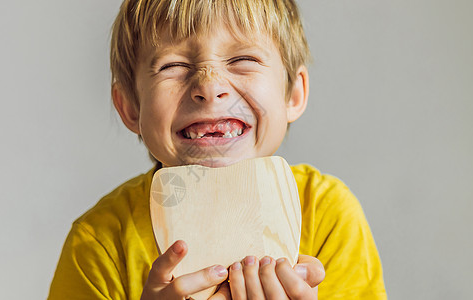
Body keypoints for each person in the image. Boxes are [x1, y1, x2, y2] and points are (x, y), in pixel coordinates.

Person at [49, 0, 386, 299]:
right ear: (130, 107)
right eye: (173, 66)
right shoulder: (98, 244)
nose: (209, 87)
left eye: (243, 58)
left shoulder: (327, 214)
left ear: (293, 94)